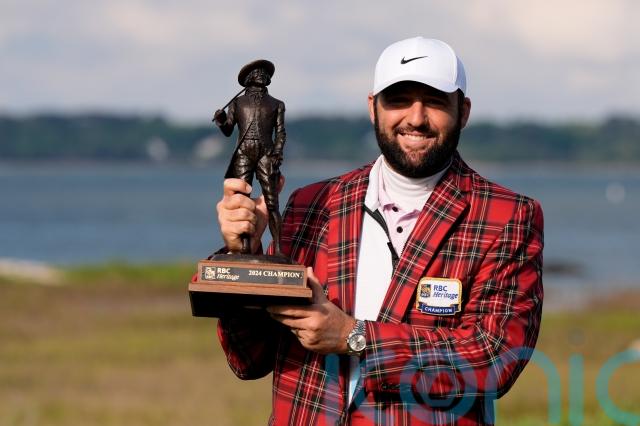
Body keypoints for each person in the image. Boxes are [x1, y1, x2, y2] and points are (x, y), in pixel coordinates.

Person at [215, 37, 544, 425]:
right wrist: (244, 254)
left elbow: (495, 357)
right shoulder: (311, 204)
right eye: (399, 100)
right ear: (373, 107)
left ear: (464, 111)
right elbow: (249, 358)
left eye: (435, 101)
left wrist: (355, 337)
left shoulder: (506, 215)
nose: (416, 117)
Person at [213, 59, 286, 254]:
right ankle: (244, 246)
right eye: (257, 72)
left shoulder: (277, 104)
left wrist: (277, 152)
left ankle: (279, 249)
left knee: (272, 203)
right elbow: (228, 130)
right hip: (244, 152)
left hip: (266, 154)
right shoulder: (237, 103)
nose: (262, 75)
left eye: (264, 73)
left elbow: (280, 133)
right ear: (248, 79)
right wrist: (221, 120)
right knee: (241, 201)